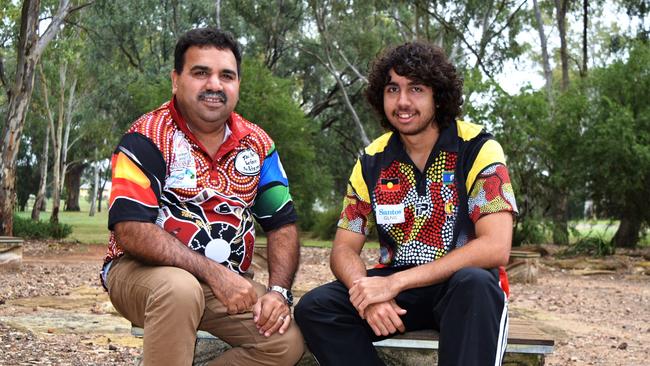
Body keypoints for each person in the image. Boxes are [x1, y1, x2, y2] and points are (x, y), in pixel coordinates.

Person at [294, 41, 518, 366]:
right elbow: (343, 249)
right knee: (316, 307)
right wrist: (366, 293)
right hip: (401, 293)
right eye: (392, 89)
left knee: (477, 284)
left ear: (437, 96)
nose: (402, 101)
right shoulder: (372, 161)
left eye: (416, 89)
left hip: (459, 288)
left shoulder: (477, 148)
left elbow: (496, 247)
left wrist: (394, 283)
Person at [101, 27, 304, 366]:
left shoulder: (258, 144)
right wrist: (215, 274)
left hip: (224, 283)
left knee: (286, 341)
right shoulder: (146, 137)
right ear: (176, 80)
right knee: (180, 289)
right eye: (200, 73)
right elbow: (131, 230)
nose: (214, 85)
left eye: (227, 75)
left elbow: (282, 223)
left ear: (238, 84)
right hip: (142, 273)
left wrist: (278, 293)